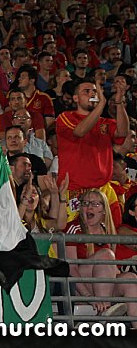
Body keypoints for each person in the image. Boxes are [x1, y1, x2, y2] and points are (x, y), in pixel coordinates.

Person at [57, 80, 129, 220]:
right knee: (73, 235)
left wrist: (119, 102)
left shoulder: (105, 122)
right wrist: (101, 105)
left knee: (110, 234)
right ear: (75, 98)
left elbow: (122, 132)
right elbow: (80, 131)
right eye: (87, 91)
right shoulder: (66, 117)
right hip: (74, 190)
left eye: (94, 91)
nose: (92, 94)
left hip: (103, 189)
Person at [65, 189, 137, 325]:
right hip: (81, 287)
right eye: (85, 203)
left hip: (103, 287)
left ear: (104, 210)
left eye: (95, 204)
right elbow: (71, 268)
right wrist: (89, 297)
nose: (89, 207)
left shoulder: (108, 230)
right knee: (106, 255)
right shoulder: (74, 228)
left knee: (131, 279)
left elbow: (111, 269)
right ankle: (104, 312)